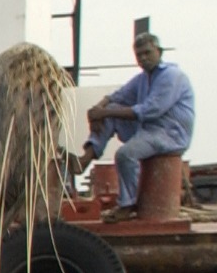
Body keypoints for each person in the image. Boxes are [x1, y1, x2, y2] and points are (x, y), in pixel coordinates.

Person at [84, 27, 196, 213]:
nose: (143, 58)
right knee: (111, 109)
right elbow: (117, 96)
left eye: (147, 53)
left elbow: (150, 110)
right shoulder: (143, 78)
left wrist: (103, 114)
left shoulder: (171, 76)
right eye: (139, 55)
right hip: (150, 131)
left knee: (125, 154)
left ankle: (129, 205)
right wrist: (98, 108)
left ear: (159, 52)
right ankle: (87, 156)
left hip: (169, 134)